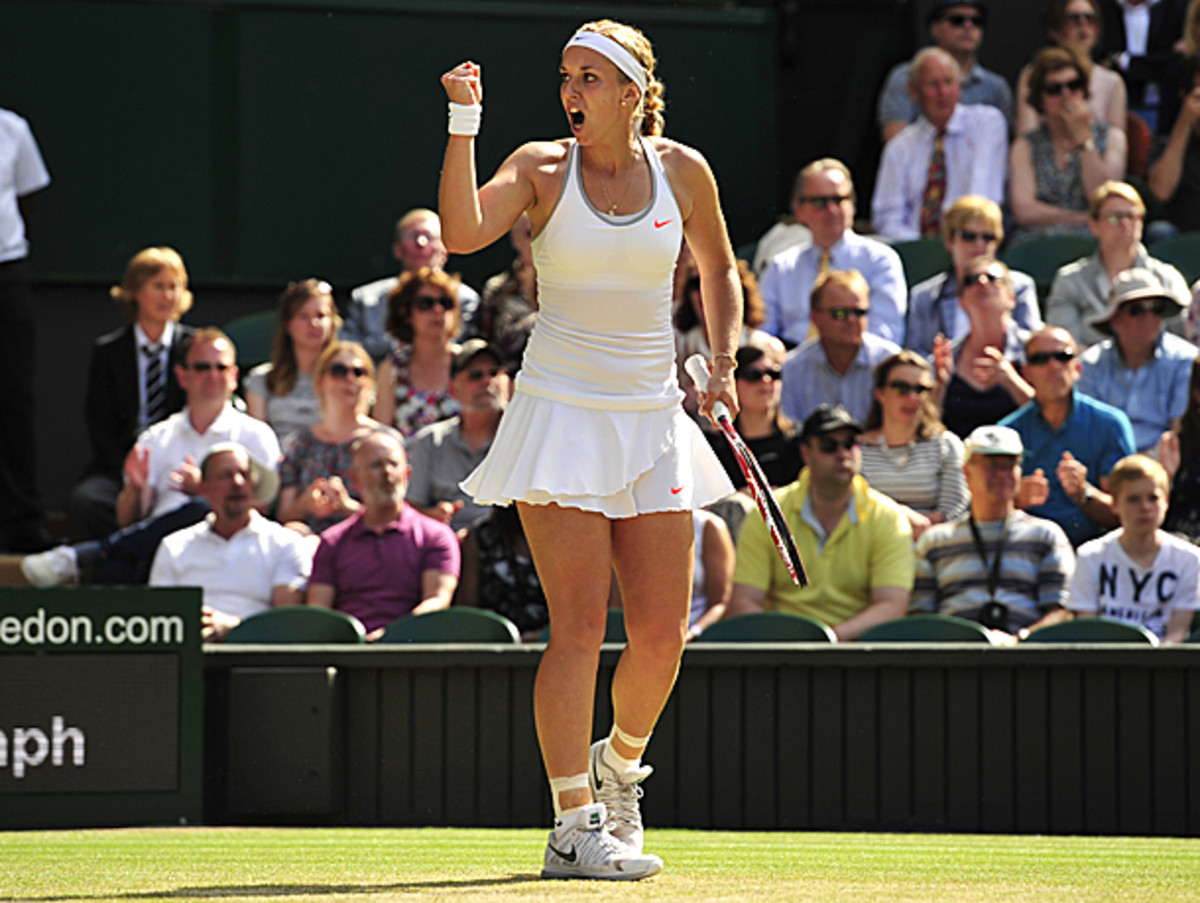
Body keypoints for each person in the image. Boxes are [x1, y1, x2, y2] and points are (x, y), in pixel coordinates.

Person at [440, 18, 741, 880]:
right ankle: (573, 824)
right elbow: (461, 232)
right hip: (560, 415)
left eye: (589, 78)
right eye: (565, 77)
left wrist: (720, 362)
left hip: (652, 417)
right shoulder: (538, 167)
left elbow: (718, 268)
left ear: (631, 92)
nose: (571, 93)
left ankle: (619, 771)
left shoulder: (683, 171)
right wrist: (465, 123)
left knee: (661, 635)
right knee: (576, 629)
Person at [19, 329, 281, 586]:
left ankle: (85, 555)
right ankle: (95, 559)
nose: (213, 375)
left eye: (221, 368)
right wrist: (135, 489)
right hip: (159, 550)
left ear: (234, 375)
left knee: (200, 509)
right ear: (182, 375)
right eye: (202, 367)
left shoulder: (256, 435)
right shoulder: (157, 437)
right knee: (113, 569)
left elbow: (261, 508)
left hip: (228, 546)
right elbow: (128, 521)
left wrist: (207, 490)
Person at [726, 404, 915, 638]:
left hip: (857, 656)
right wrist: (795, 645)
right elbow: (744, 601)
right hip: (781, 653)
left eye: (850, 444)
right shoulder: (768, 512)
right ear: (806, 453)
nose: (843, 454)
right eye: (829, 445)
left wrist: (826, 642)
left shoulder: (887, 517)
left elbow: (892, 606)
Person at [69, 247, 196, 540]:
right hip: (121, 466)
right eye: (158, 286)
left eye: (174, 287)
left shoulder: (194, 348)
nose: (167, 296)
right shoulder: (108, 352)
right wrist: (130, 472)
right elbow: (99, 424)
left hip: (179, 465)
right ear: (135, 291)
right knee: (86, 502)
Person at [912, 425, 1076, 640]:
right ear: (967, 472)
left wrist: (1020, 640)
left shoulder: (1046, 536)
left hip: (1027, 661)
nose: (1002, 474)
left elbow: (1062, 612)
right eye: (992, 464)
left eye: (1010, 464)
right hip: (952, 661)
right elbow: (919, 617)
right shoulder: (935, 542)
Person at [149, 442, 308, 642]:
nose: (237, 482)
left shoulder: (285, 544)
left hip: (258, 660)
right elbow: (159, 620)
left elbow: (288, 623)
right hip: (190, 655)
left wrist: (234, 628)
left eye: (245, 474)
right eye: (226, 475)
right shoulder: (174, 547)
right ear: (204, 489)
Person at [307, 431, 459, 636]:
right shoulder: (333, 542)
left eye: (393, 464)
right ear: (354, 478)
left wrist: (390, 636)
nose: (386, 472)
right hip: (349, 655)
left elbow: (437, 601)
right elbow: (319, 615)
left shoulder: (436, 536)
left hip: (411, 652)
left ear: (408, 474)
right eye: (376, 465)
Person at [1000, 326, 1135, 547]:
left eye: (1062, 357)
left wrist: (1084, 493)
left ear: (1077, 368)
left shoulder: (1111, 424)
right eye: (1040, 359)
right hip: (1026, 551)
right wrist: (1015, 501)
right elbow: (985, 510)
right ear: (1026, 373)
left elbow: (1126, 512)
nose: (1053, 366)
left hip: (1095, 550)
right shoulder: (1007, 433)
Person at [759, 159, 907, 347]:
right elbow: (762, 334)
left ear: (852, 204)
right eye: (820, 202)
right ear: (799, 210)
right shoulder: (780, 268)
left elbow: (886, 336)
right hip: (789, 369)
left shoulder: (880, 260)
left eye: (839, 200)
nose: (832, 210)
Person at [871, 47, 1008, 241]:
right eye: (933, 85)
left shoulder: (986, 123)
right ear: (913, 91)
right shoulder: (900, 147)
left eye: (949, 82)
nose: (943, 93)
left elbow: (983, 196)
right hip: (914, 250)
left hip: (972, 242)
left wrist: (955, 240)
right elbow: (887, 218)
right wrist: (923, 249)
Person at [1068, 453, 1200, 641]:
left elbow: (1177, 633)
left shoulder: (1190, 559)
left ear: (1167, 503)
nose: (1145, 507)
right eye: (1133, 499)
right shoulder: (1090, 557)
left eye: (1153, 498)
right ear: (1114, 504)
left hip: (1166, 665)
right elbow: (1089, 631)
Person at [1045, 181, 1192, 347]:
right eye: (1114, 218)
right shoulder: (1070, 281)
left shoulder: (1167, 277)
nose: (1125, 224)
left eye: (1131, 216)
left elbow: (1185, 340)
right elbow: (1066, 346)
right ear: (1094, 225)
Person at [1010, 46, 1128, 247]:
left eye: (1074, 85)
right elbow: (1024, 211)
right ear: (1040, 98)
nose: (1066, 95)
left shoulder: (1111, 138)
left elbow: (1102, 200)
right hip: (1037, 240)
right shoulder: (1026, 145)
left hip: (1092, 239)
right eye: (1054, 89)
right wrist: (1081, 217)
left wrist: (1085, 141)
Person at [0, 104, 51, 552]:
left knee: (13, 399)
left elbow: (26, 198)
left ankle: (21, 522)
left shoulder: (12, 130)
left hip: (7, 276)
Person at [276, 341, 391, 535]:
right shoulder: (300, 443)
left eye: (359, 372)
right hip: (311, 542)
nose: (349, 379)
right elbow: (284, 515)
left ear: (369, 383)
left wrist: (348, 508)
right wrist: (306, 504)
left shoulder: (385, 442)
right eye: (339, 371)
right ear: (320, 381)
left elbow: (397, 515)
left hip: (368, 538)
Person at [1078, 268, 1198, 452]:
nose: (1149, 317)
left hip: (1165, 465)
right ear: (1114, 319)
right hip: (1104, 464)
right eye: (1136, 310)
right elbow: (1088, 429)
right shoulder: (1090, 364)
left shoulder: (1186, 360)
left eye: (1156, 309)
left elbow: (1178, 429)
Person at [905, 196, 1042, 358]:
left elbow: (1033, 346)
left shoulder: (1019, 286)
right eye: (969, 236)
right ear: (950, 241)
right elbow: (915, 355)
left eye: (988, 237)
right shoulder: (924, 296)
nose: (979, 244)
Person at [342, 208, 480, 362]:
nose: (421, 243)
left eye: (429, 237)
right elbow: (348, 351)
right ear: (397, 250)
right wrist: (395, 346)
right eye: (413, 236)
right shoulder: (366, 299)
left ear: (445, 252)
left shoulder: (467, 300)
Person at [859, 351, 969, 540]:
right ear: (879, 393)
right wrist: (901, 516)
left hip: (935, 549)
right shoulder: (856, 450)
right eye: (900, 388)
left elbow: (954, 512)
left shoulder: (946, 445)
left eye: (920, 389)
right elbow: (853, 512)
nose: (912, 397)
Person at [405, 339, 510, 534]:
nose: (487, 381)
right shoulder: (429, 442)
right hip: (443, 547)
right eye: (475, 375)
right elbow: (409, 510)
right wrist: (431, 516)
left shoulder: (522, 442)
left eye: (494, 373)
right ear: (453, 389)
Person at [876, 0, 1014, 143]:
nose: (968, 26)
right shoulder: (905, 77)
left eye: (976, 21)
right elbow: (896, 145)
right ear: (935, 29)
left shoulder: (996, 87)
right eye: (957, 20)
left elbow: (1001, 146)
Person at [780, 269, 900, 425]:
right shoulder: (793, 368)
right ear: (816, 318)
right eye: (840, 313)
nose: (851, 320)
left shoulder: (890, 362)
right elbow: (790, 431)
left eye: (859, 312)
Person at [932, 257, 1035, 438]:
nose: (981, 282)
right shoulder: (944, 358)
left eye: (992, 278)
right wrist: (939, 385)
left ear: (1011, 298)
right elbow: (925, 426)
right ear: (961, 302)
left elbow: (1052, 416)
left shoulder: (1035, 350)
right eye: (971, 280)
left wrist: (1011, 381)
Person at [675, 257, 783, 412]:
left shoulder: (768, 345)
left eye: (715, 281)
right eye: (696, 283)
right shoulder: (678, 346)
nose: (704, 290)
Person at [244, 279, 341, 445]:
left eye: (321, 315)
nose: (313, 324)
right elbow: (257, 443)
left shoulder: (346, 376)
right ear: (288, 324)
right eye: (303, 316)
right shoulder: (261, 380)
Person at [372, 267, 463, 437]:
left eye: (446, 302)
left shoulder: (469, 363)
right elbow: (381, 436)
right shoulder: (392, 369)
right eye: (426, 304)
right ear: (406, 313)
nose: (438, 310)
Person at [1016, 0, 1129, 135]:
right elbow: (1026, 136)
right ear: (1055, 30)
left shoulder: (1112, 82)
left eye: (1090, 18)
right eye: (1073, 18)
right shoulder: (1032, 75)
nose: (1083, 24)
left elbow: (1117, 146)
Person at [707, 345, 801, 491]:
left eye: (774, 373)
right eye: (753, 375)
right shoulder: (714, 448)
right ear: (732, 384)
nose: (766, 380)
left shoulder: (799, 442)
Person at [457, 504, 548, 640]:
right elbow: (468, 605)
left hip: (550, 643)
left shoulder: (563, 537)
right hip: (492, 644)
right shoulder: (480, 535)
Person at [1147, 54, 1200, 232]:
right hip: (1180, 235)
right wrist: (1184, 123)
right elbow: (1161, 192)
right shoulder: (1165, 144)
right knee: (1159, 231)